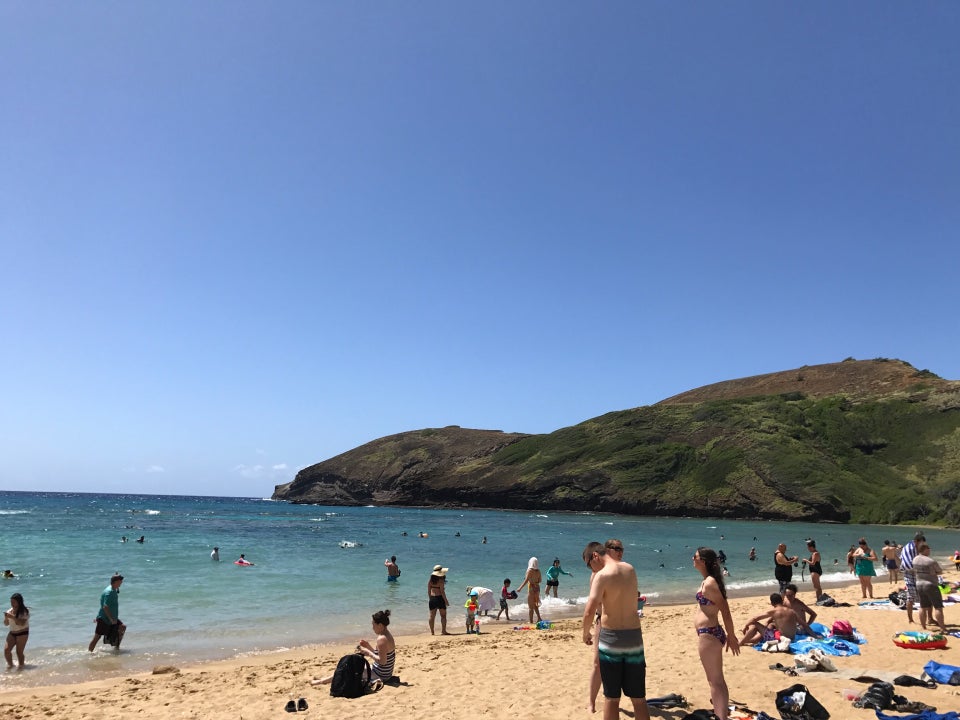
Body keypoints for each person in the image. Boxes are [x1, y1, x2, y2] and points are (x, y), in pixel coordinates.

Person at [582, 541, 649, 720]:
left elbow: (590, 609)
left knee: (611, 699)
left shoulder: (601, 576)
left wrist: (585, 633)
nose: (591, 568)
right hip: (634, 637)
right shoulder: (630, 569)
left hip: (611, 640)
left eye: (589, 564)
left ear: (595, 555)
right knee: (639, 699)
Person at [692, 548, 740, 720]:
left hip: (709, 634)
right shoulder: (707, 580)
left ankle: (721, 717)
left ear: (703, 561)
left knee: (715, 682)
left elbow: (725, 610)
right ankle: (721, 715)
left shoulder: (710, 583)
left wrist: (732, 635)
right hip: (711, 633)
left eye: (695, 557)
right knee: (717, 680)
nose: (693, 558)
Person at [588, 539, 626, 713]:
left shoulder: (622, 571)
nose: (620, 552)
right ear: (607, 551)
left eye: (621, 549)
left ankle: (611, 701)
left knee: (619, 665)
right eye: (616, 549)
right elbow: (593, 606)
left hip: (620, 624)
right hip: (602, 622)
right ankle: (592, 702)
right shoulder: (597, 575)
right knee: (597, 663)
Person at [312, 609, 396, 687]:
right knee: (349, 666)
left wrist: (368, 652)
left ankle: (321, 682)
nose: (372, 628)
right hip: (383, 672)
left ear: (380, 625)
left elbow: (382, 661)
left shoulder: (381, 639)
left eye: (373, 625)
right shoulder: (387, 635)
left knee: (347, 669)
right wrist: (368, 646)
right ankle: (323, 679)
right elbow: (381, 654)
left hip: (381, 674)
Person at [911, 542, 946, 633]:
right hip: (930, 584)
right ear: (925, 549)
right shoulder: (930, 561)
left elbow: (914, 570)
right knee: (938, 607)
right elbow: (939, 571)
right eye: (928, 549)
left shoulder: (914, 559)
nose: (929, 551)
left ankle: (923, 627)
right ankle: (942, 628)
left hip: (919, 584)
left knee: (923, 606)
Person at [88, 574, 125, 652]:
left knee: (122, 627)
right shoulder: (109, 592)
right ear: (116, 582)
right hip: (104, 618)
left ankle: (116, 649)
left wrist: (117, 588)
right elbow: (105, 607)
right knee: (97, 637)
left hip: (112, 617)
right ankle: (89, 653)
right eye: (120, 581)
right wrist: (111, 619)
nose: (121, 582)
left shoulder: (114, 589)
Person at [899, 532, 926, 624]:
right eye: (921, 543)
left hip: (915, 573)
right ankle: (910, 619)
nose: (922, 545)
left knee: (922, 596)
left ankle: (927, 618)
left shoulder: (913, 547)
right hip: (910, 573)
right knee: (911, 596)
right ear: (916, 542)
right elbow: (908, 564)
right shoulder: (910, 548)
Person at [4, 592, 29, 670]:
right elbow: (6, 624)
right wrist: (6, 618)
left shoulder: (25, 611)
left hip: (22, 633)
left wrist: (12, 617)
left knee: (19, 652)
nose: (12, 603)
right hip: (12, 633)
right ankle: (10, 666)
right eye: (11, 602)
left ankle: (21, 667)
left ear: (19, 602)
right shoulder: (9, 611)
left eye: (13, 602)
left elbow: (21, 623)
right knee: (6, 650)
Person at [517, 557, 542, 623]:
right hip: (537, 588)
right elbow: (540, 580)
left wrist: (520, 588)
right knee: (535, 604)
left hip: (531, 588)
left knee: (531, 607)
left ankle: (531, 621)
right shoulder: (538, 571)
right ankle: (539, 618)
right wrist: (535, 581)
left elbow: (526, 580)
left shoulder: (530, 570)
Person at [427, 565, 450, 635]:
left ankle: (432, 632)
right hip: (440, 598)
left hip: (432, 599)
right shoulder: (441, 581)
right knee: (443, 616)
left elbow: (428, 591)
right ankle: (443, 631)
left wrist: (430, 598)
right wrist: (446, 601)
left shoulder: (430, 581)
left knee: (432, 616)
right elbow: (442, 592)